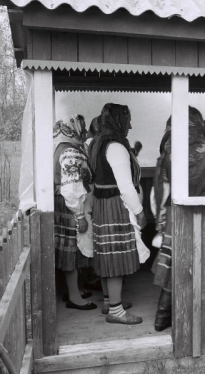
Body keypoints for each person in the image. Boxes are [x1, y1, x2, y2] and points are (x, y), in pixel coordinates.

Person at [151, 107, 205, 332]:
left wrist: (161, 225)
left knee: (175, 266)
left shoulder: (169, 155)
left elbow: (160, 195)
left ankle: (162, 317)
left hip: (177, 219)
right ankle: (200, 320)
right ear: (199, 125)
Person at [89, 104, 147, 325]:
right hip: (114, 205)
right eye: (127, 120)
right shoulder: (115, 146)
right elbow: (125, 186)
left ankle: (109, 301)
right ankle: (116, 311)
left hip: (102, 205)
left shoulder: (97, 144)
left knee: (106, 253)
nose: (130, 125)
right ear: (118, 121)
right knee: (115, 256)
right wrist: (139, 212)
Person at [53, 114, 96, 310]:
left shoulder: (61, 148)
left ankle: (73, 291)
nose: (85, 132)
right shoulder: (71, 153)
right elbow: (71, 188)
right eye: (82, 127)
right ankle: (74, 297)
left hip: (64, 204)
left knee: (70, 249)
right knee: (72, 248)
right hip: (71, 206)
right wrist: (79, 215)